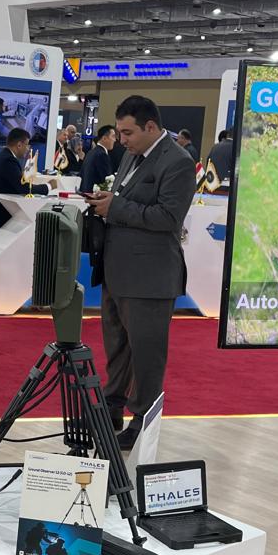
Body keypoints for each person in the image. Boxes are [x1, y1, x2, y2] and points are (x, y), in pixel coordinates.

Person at [87, 95, 195, 450]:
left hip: (150, 278)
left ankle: (142, 422)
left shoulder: (178, 162)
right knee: (117, 348)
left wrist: (115, 207)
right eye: (119, 133)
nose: (121, 140)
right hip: (117, 271)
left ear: (151, 127)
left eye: (128, 133)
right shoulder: (132, 155)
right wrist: (106, 203)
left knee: (147, 356)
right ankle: (112, 408)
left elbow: (168, 218)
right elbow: (125, 199)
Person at [0, 128, 56, 228]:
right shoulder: (8, 161)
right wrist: (48, 186)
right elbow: (24, 188)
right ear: (19, 145)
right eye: (27, 145)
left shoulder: (0, 157)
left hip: (0, 214)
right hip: (7, 218)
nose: (28, 149)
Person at [80, 124, 117, 192]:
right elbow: (107, 180)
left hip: (85, 192)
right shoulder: (102, 155)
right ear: (104, 138)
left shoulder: (91, 152)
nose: (115, 140)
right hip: (95, 194)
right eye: (113, 136)